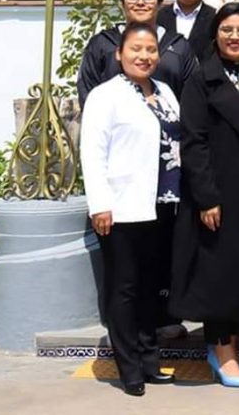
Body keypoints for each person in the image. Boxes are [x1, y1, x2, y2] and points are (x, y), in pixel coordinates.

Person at [171, 2, 239, 389]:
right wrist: (207, 197)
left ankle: (234, 349)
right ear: (215, 34)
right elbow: (193, 142)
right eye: (227, 29)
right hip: (217, 193)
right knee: (220, 276)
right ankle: (220, 352)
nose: (235, 37)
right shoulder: (202, 79)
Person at [80, 22, 179, 397]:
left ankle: (151, 359)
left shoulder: (167, 92)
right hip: (121, 209)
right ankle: (130, 367)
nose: (144, 56)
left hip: (163, 205)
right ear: (119, 54)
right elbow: (92, 151)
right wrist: (99, 204)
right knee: (124, 288)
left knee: (152, 289)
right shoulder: (105, 96)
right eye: (136, 49)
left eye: (151, 49)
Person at [78, 0, 197, 107]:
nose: (140, 2)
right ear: (122, 3)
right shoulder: (102, 44)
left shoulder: (179, 47)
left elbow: (193, 98)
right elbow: (87, 91)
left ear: (159, 3)